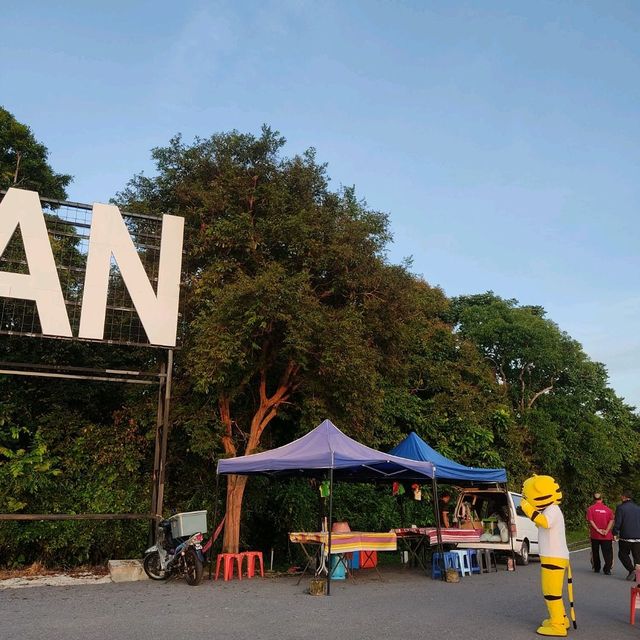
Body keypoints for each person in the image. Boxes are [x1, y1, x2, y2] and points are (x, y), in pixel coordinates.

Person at [612, 489, 640, 581]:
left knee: (622, 554)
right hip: (638, 537)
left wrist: (615, 532)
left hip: (626, 537)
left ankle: (632, 570)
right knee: (637, 557)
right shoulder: (638, 508)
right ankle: (638, 576)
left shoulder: (621, 508)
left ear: (624, 497)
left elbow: (618, 522)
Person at [586, 492, 614, 574]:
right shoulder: (608, 509)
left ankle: (597, 568)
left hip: (595, 535)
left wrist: (597, 529)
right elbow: (611, 520)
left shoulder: (590, 509)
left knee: (595, 552)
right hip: (606, 535)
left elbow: (591, 520)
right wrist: (607, 530)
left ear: (594, 499)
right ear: (602, 499)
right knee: (608, 553)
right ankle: (607, 569)